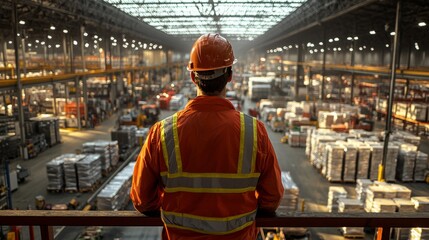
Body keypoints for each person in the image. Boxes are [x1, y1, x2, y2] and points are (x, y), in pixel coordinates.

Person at [130, 33, 284, 240]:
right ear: (230, 75)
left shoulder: (162, 132)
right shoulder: (255, 132)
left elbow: (142, 200)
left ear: (193, 77)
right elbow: (272, 198)